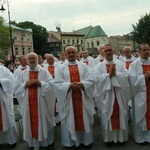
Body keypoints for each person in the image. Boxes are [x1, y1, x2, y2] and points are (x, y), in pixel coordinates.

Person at [54, 46, 95, 148]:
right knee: (69, 118)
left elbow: (91, 80)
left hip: (83, 98)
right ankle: (69, 143)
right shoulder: (60, 68)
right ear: (66, 54)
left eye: (73, 52)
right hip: (68, 99)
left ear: (76, 53)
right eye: (69, 53)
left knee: (84, 118)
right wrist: (69, 85)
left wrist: (82, 84)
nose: (71, 54)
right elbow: (57, 84)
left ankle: (86, 141)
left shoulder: (85, 66)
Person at [14, 52, 55, 150]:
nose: (32, 60)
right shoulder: (22, 73)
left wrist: (40, 83)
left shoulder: (44, 72)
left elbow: (52, 85)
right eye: (30, 59)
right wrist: (25, 85)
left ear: (37, 59)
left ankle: (45, 143)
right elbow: (15, 88)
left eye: (34, 58)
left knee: (43, 122)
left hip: (41, 104)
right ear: (27, 61)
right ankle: (32, 144)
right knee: (29, 123)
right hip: (28, 105)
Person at [94, 44, 130, 146]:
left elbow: (126, 76)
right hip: (106, 96)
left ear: (113, 52)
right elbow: (96, 79)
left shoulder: (120, 64)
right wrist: (108, 75)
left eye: (110, 50)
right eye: (107, 51)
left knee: (121, 115)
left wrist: (116, 75)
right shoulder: (99, 66)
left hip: (119, 95)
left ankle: (121, 139)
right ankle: (108, 139)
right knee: (107, 116)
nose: (109, 52)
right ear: (103, 52)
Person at [128, 43, 150, 144]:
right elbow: (132, 81)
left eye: (148, 50)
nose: (147, 52)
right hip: (139, 95)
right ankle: (140, 138)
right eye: (144, 50)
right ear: (140, 52)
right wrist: (143, 78)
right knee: (140, 116)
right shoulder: (134, 64)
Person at [0, 65, 17, 148]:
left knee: (7, 118)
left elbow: (12, 79)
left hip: (3, 99)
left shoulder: (3, 69)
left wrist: (1, 82)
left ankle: (11, 141)